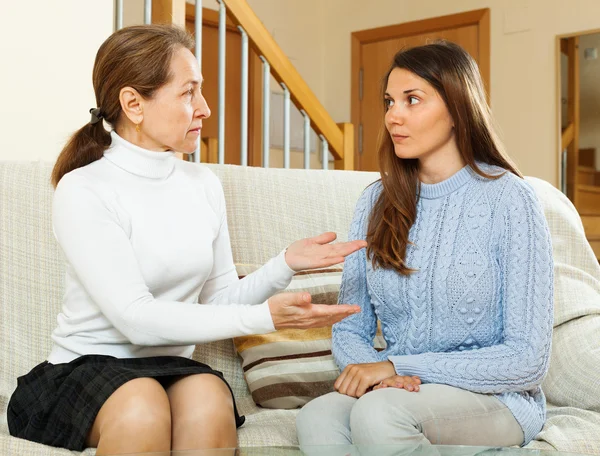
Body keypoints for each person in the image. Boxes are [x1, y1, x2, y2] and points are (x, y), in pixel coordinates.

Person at [7, 24, 364, 455]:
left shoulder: (203, 184)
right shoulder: (84, 189)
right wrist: (265, 319)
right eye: (188, 92)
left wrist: (283, 265)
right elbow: (134, 317)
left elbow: (220, 301)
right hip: (84, 369)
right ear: (133, 104)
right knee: (142, 406)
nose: (205, 108)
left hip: (165, 367)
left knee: (210, 400)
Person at [296, 41, 554, 451]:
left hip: (497, 400)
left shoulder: (510, 200)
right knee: (318, 417)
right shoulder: (375, 200)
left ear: (456, 109)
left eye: (412, 100)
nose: (393, 115)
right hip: (399, 389)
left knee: (379, 414)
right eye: (389, 101)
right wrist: (380, 375)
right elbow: (349, 327)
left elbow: (527, 359)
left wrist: (399, 366)